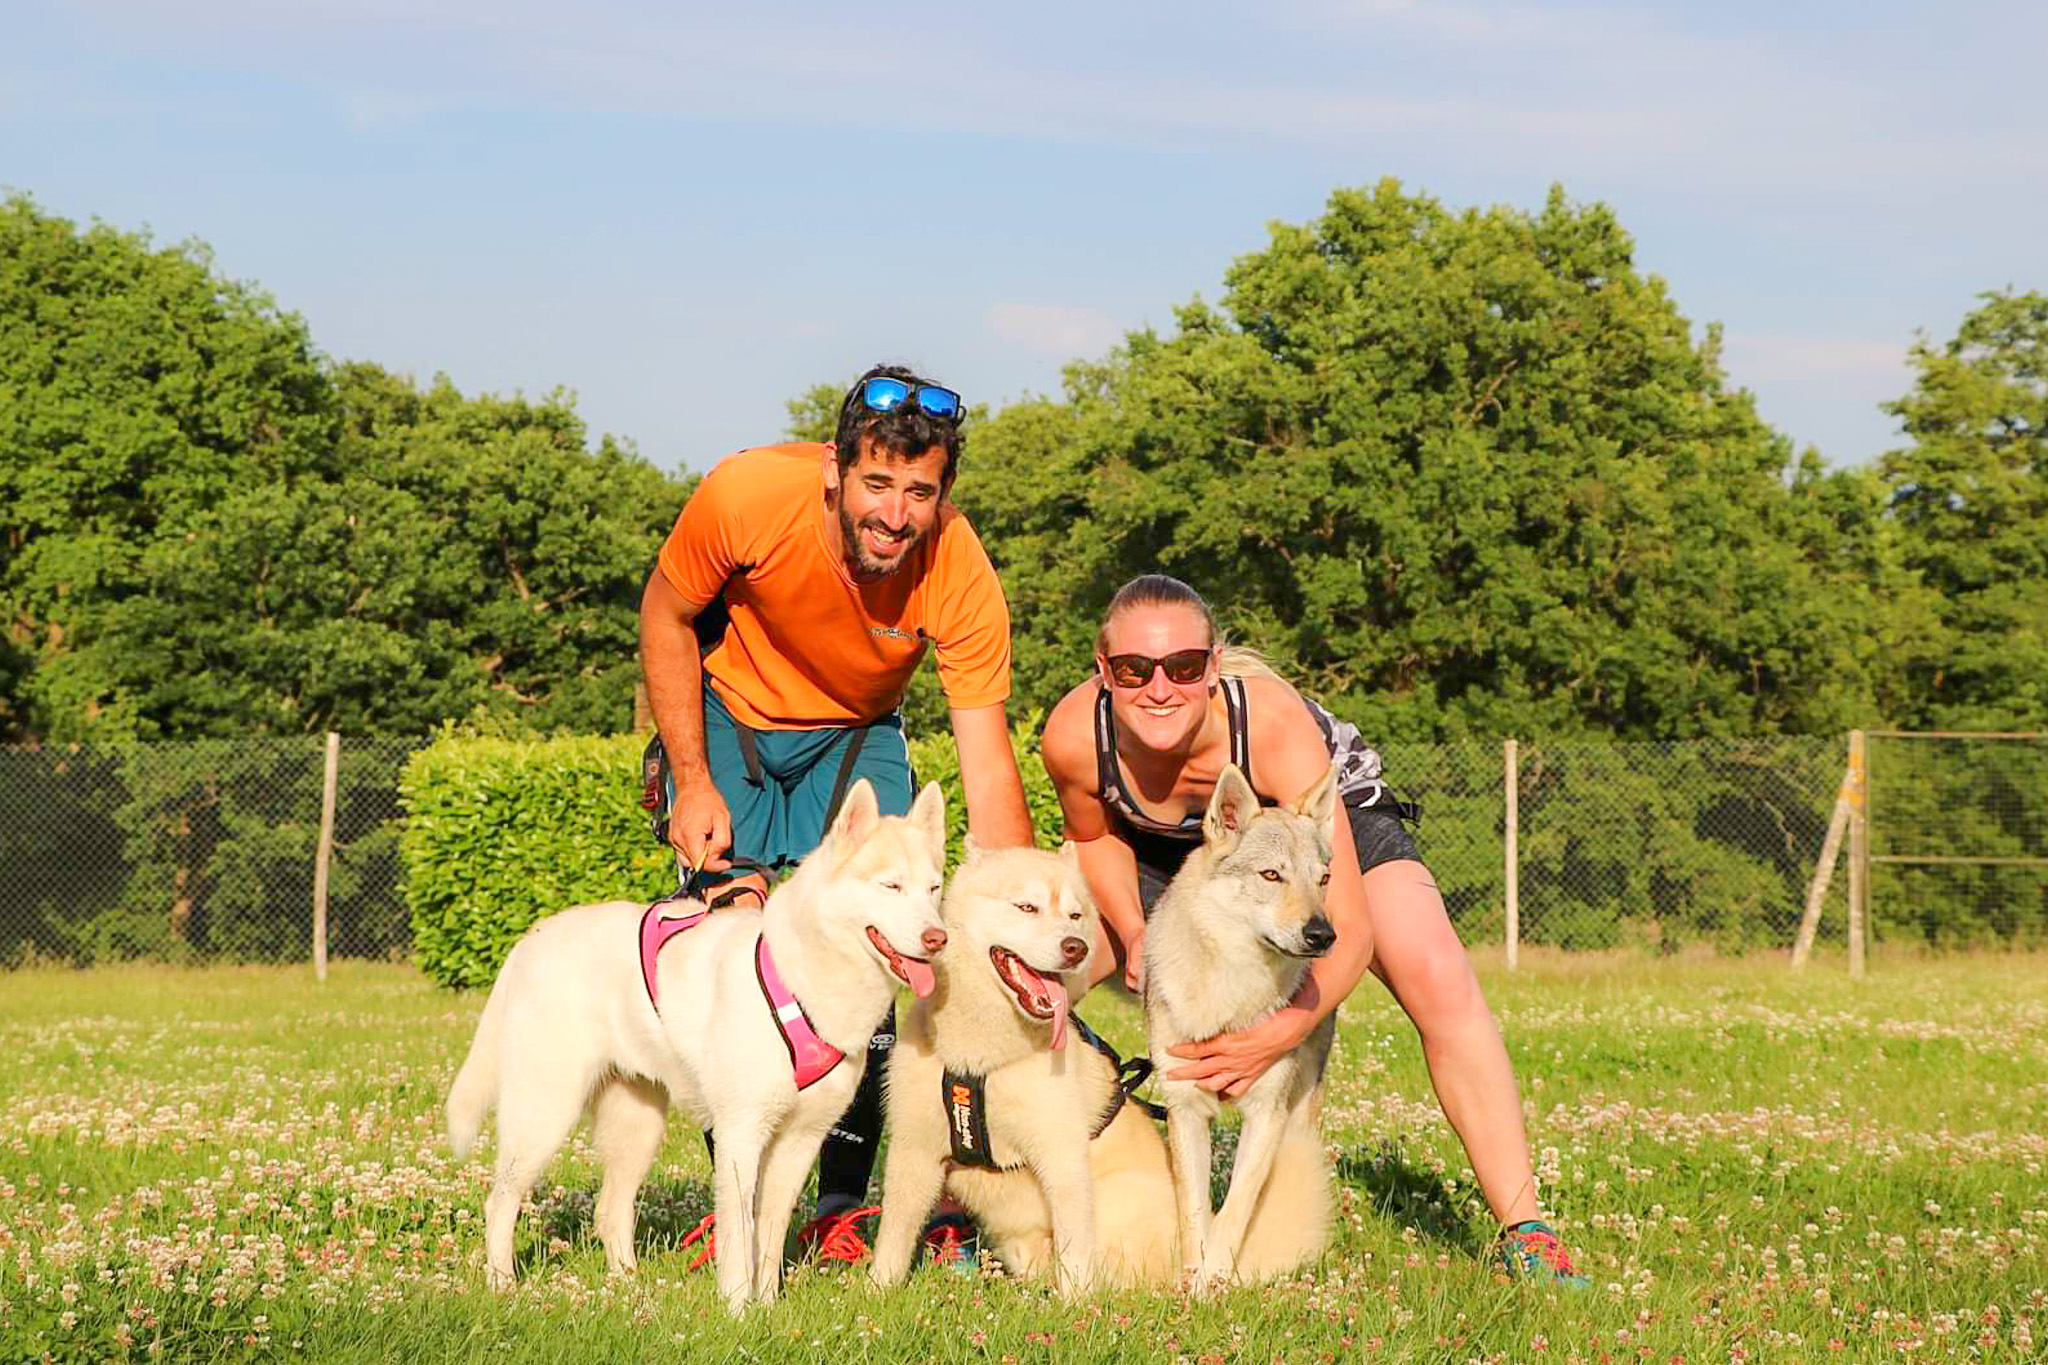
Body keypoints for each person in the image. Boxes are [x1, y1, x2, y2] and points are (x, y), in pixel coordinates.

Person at [1039, 573, 1588, 1285]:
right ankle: (984, 1194)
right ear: (1103, 670)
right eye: (1135, 669)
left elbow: (1350, 929)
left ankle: (1525, 1226)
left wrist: (1278, 1032)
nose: (1159, 687)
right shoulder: (1073, 735)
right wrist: (1138, 932)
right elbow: (1094, 838)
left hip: (1316, 827)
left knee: (1435, 971)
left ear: (1211, 667)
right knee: (1041, 967)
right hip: (1185, 848)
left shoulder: (1267, 723)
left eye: (1182, 666)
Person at [638, 363, 1034, 1265]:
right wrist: (693, 779)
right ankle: (738, 1208)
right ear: (835, 469)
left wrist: (1015, 910)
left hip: (856, 731)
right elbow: (665, 615)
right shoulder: (745, 494)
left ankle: (841, 1205)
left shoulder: (959, 569)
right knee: (736, 931)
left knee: (878, 945)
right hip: (726, 709)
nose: (896, 513)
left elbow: (986, 759)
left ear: (945, 497)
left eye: (921, 492)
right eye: (878, 484)